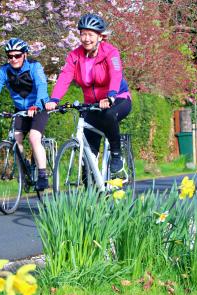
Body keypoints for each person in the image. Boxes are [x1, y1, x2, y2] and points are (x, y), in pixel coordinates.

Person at [44, 13, 132, 175]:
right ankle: (90, 185)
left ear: (100, 36)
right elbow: (65, 77)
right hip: (92, 103)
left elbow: (116, 73)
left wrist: (111, 95)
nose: (86, 39)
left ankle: (116, 155)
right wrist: (54, 99)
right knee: (88, 148)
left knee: (108, 115)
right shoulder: (75, 56)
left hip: (118, 98)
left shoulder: (110, 52)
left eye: (90, 34)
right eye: (83, 34)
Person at [0, 38, 50, 191]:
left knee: (33, 138)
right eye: (10, 56)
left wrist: (37, 105)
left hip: (39, 107)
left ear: (25, 55)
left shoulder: (34, 66)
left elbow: (41, 85)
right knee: (16, 139)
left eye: (17, 55)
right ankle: (24, 167)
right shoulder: (4, 71)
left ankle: (43, 175)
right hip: (20, 109)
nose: (13, 59)